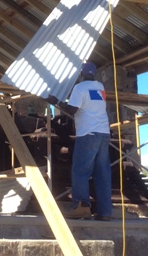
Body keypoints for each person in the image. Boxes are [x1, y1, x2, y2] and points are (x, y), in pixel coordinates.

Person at [45, 62, 112, 221]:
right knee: (102, 173)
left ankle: (81, 207)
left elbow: (71, 110)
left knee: (81, 170)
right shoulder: (100, 86)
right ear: (94, 74)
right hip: (103, 133)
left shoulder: (80, 88)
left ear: (81, 74)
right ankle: (105, 212)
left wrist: (55, 101)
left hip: (88, 134)